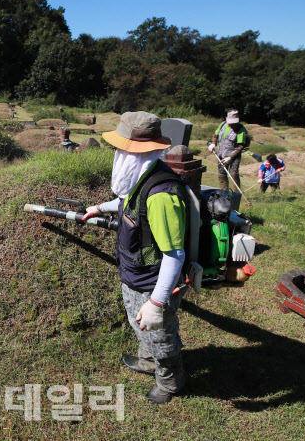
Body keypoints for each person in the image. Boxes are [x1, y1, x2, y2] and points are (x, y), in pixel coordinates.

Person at [82, 111, 188, 405]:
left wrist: (156, 302)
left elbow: (174, 254)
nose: (116, 152)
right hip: (134, 273)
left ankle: (170, 381)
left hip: (154, 282)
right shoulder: (142, 175)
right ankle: (148, 361)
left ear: (134, 150)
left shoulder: (161, 195)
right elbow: (129, 201)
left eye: (119, 147)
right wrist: (99, 207)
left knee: (162, 336)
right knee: (138, 323)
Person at [208, 109, 248, 191]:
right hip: (221, 154)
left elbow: (240, 146)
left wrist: (230, 158)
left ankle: (236, 194)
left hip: (234, 155)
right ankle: (224, 193)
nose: (231, 123)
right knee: (221, 175)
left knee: (234, 174)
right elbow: (215, 135)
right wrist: (213, 143)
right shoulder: (223, 124)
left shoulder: (241, 129)